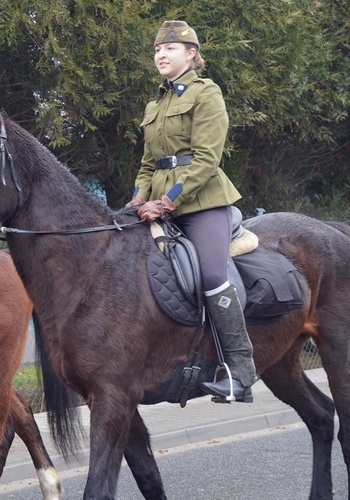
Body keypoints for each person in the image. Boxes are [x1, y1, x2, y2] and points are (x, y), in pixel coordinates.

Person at [125, 21, 256, 403]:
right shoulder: (156, 104)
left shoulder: (206, 92)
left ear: (192, 54)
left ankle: (240, 371)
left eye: (170, 49)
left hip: (203, 204)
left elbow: (207, 159)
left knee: (212, 274)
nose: (161, 55)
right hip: (157, 207)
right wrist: (138, 200)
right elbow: (148, 164)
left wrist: (167, 202)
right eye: (156, 51)